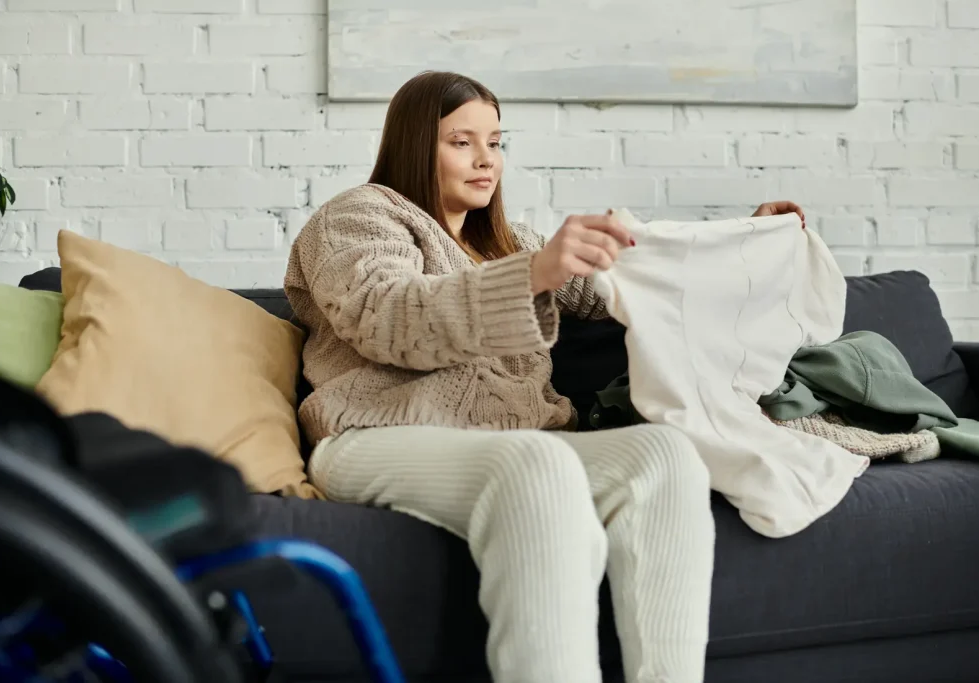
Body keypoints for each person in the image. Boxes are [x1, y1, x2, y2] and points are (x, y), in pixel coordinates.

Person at [284, 70, 805, 683]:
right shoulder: (356, 218)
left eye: (496, 142)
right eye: (462, 142)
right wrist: (533, 274)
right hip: (372, 437)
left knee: (666, 452)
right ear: (414, 143)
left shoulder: (509, 241)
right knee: (537, 460)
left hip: (512, 444)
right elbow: (388, 315)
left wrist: (746, 235)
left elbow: (639, 270)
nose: (486, 160)